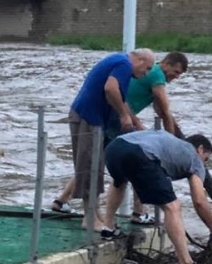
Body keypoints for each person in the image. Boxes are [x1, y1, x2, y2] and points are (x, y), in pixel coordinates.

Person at [52, 48, 155, 230]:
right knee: (89, 167)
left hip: (89, 118)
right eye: (147, 68)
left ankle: (94, 215)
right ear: (139, 60)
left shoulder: (119, 61)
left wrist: (133, 121)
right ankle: (90, 218)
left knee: (95, 166)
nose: (145, 73)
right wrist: (124, 116)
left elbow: (120, 98)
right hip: (88, 117)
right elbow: (110, 88)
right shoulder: (124, 64)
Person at [103, 130, 212, 264]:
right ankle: (186, 263)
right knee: (172, 207)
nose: (204, 163)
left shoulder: (167, 139)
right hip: (140, 154)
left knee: (119, 181)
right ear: (200, 149)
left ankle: (108, 226)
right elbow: (199, 201)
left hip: (114, 148)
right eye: (206, 158)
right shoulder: (195, 158)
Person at [100, 51, 190, 223]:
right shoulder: (157, 75)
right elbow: (165, 110)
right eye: (176, 72)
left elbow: (161, 111)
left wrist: (175, 129)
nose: (177, 77)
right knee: (137, 163)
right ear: (167, 64)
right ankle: (136, 213)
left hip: (118, 117)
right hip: (119, 118)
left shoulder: (153, 75)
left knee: (103, 163)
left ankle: (62, 200)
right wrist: (169, 140)